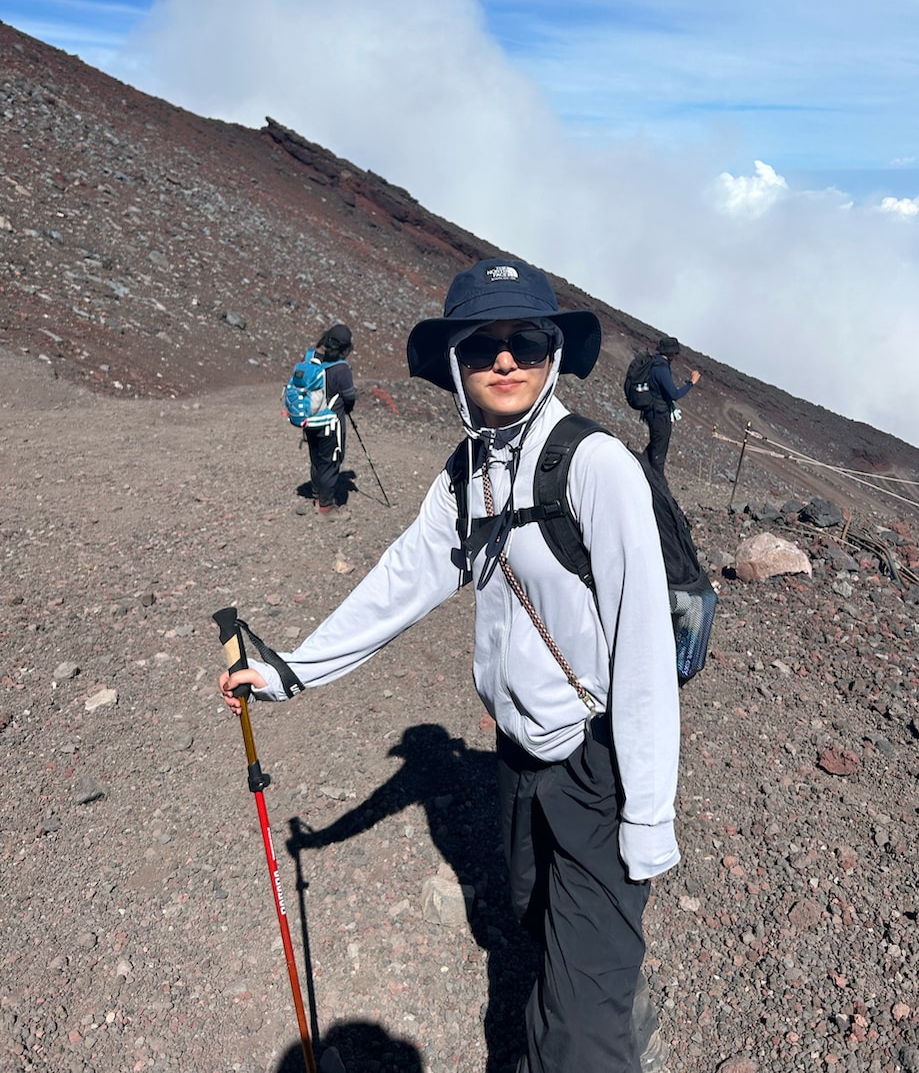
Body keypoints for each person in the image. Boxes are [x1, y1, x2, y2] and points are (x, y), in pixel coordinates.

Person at [221, 259, 680, 1072]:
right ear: (459, 365)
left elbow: (643, 649)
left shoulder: (596, 465)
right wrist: (292, 671)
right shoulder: (468, 472)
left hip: (597, 766)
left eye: (527, 342)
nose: (506, 360)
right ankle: (604, 990)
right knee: (531, 920)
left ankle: (604, 1012)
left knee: (579, 1039)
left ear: (552, 354)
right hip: (516, 757)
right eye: (485, 347)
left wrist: (648, 819)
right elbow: (400, 581)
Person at [305, 323, 356, 515]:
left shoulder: (310, 357)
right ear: (345, 347)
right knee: (331, 462)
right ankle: (326, 507)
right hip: (330, 423)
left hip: (310, 420)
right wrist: (347, 409)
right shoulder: (341, 368)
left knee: (316, 459)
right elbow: (349, 397)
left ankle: (317, 495)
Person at [643, 335, 700, 474]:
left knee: (655, 445)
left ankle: (642, 468)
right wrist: (691, 382)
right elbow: (674, 394)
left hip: (652, 411)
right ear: (670, 352)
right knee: (659, 451)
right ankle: (656, 482)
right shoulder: (661, 369)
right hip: (659, 414)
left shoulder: (654, 363)